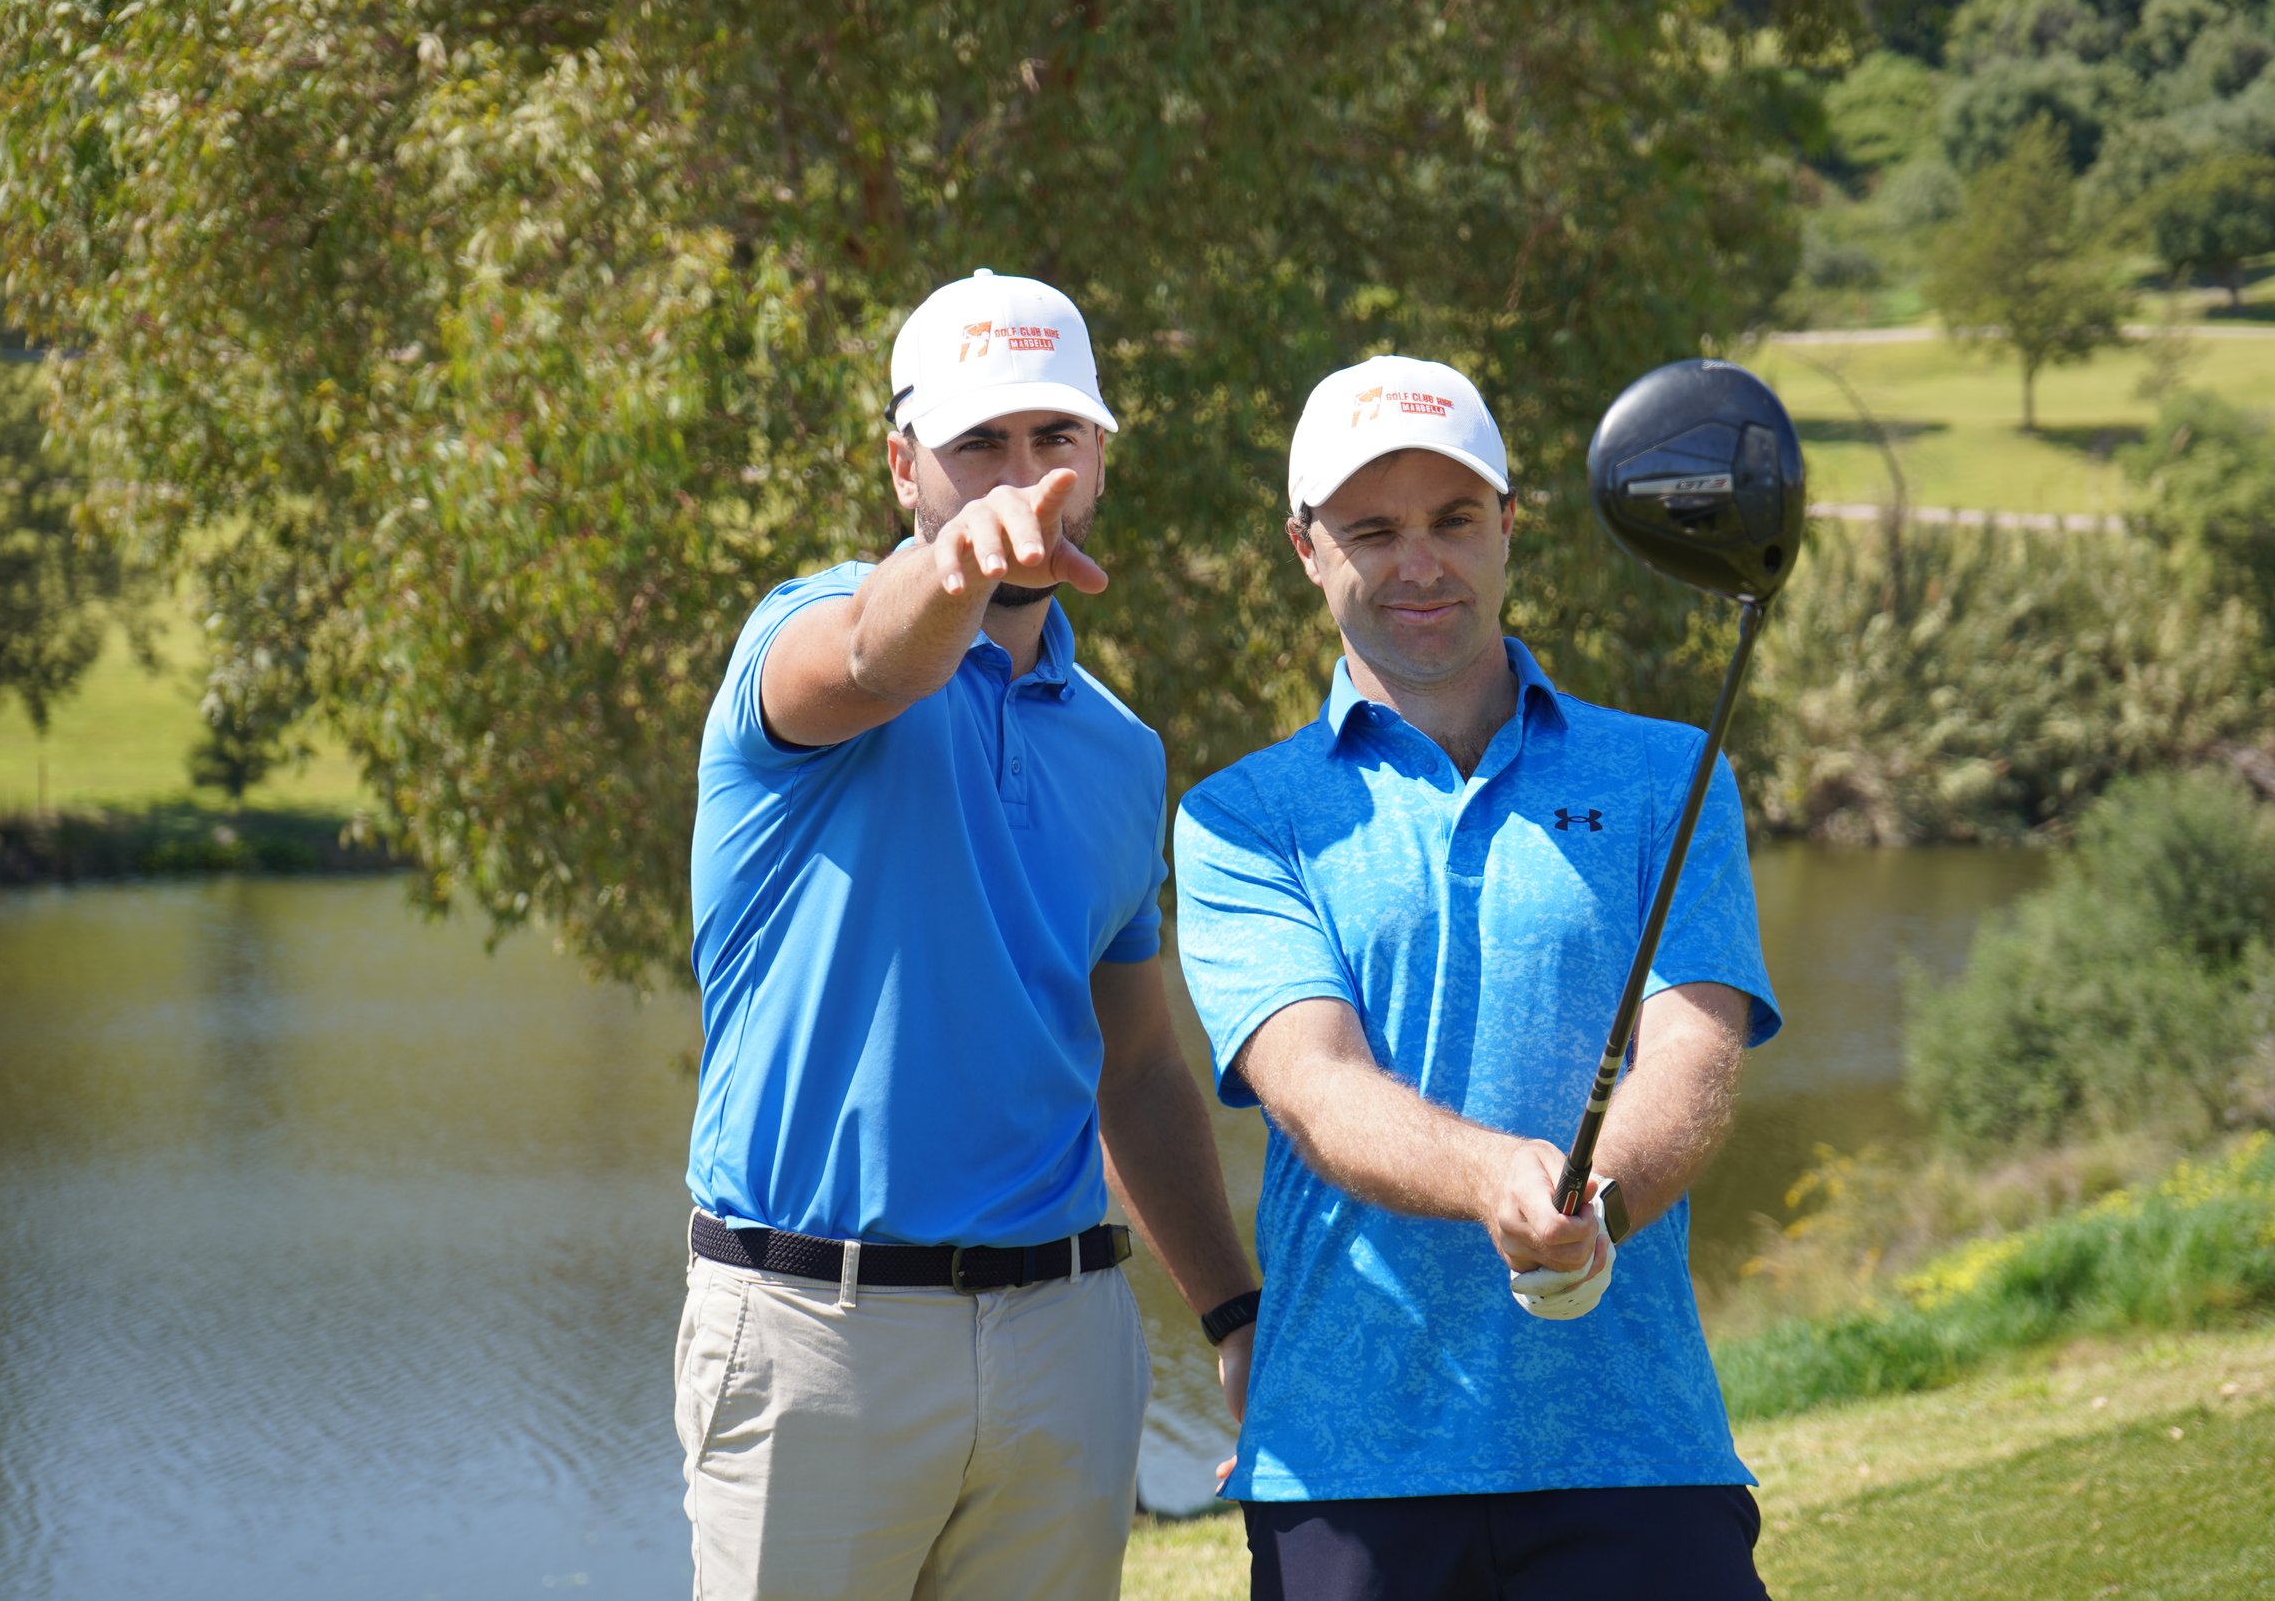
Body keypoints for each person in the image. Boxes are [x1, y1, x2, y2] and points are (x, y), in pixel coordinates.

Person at [680, 268, 1260, 1601]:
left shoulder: (1122, 750)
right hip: (813, 1334)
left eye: (1053, 439)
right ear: (903, 466)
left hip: (1064, 1335)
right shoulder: (800, 639)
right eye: (976, 445)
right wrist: (953, 569)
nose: (1018, 477)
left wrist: (1232, 1310)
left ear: (1101, 457)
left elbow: (1138, 1067)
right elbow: (881, 657)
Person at [1171, 355, 1783, 1601]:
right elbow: (1316, 1082)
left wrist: (1595, 1201)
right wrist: (1500, 1177)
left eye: (1454, 520)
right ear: (1304, 546)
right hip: (1348, 1468)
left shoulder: (1671, 770)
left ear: (1510, 525)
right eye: (1372, 529)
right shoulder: (1242, 818)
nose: (1420, 564)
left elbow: (1693, 1045)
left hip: (1633, 1451)